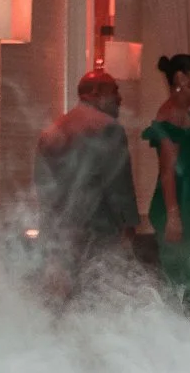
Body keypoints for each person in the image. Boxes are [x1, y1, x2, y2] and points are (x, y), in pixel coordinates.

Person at [34, 68, 141, 293]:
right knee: (99, 296)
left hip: (59, 232)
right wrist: (128, 226)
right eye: (114, 91)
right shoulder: (108, 128)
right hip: (98, 230)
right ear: (96, 94)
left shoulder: (53, 130)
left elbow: (42, 187)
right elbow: (118, 185)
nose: (119, 99)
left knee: (64, 298)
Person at [140, 54, 190, 314]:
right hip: (176, 204)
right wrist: (173, 216)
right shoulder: (169, 115)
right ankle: (184, 335)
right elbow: (167, 172)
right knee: (184, 277)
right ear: (181, 79)